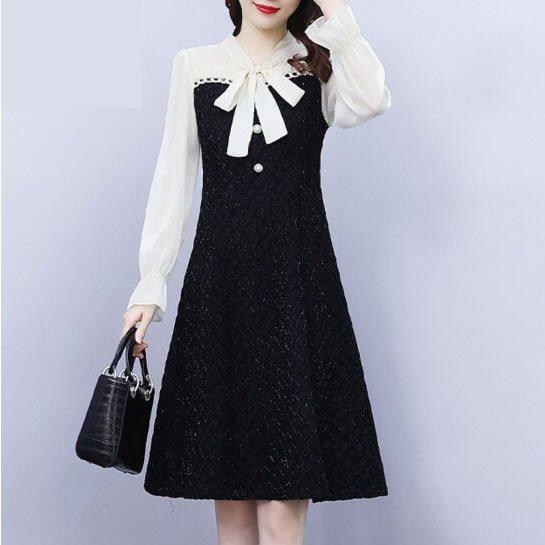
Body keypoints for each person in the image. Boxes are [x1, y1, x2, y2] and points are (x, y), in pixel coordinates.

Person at [121, 1, 391, 543]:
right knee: (231, 500)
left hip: (299, 285)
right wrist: (150, 286)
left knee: (284, 499)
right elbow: (173, 176)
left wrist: (338, 17)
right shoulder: (195, 65)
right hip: (221, 287)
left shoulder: (318, 63)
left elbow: (369, 101)